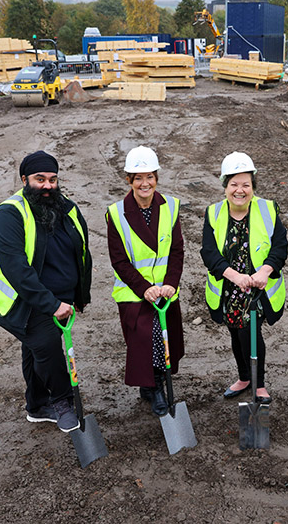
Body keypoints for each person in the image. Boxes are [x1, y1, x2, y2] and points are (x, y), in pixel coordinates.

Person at [0, 151, 92, 433]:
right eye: (39, 179)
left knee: (35, 349)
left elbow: (81, 253)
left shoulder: (66, 208)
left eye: (53, 179)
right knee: (45, 344)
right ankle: (62, 402)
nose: (47, 186)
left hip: (60, 297)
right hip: (20, 300)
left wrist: (78, 296)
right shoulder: (9, 214)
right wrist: (52, 304)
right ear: (24, 180)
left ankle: (36, 405)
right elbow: (16, 269)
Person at [200, 152, 287, 404]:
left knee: (250, 332)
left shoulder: (268, 209)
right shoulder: (214, 213)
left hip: (258, 289)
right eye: (234, 184)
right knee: (235, 333)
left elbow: (280, 246)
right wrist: (234, 276)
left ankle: (258, 384)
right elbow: (209, 252)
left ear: (253, 187)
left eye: (246, 184)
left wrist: (265, 271)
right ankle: (244, 377)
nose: (240, 190)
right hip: (229, 287)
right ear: (225, 186)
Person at [106, 146, 185, 416]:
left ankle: (156, 380)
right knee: (147, 336)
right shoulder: (116, 213)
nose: (144, 184)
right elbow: (119, 260)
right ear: (129, 180)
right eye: (138, 178)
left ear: (157, 178)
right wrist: (144, 289)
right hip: (134, 292)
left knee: (166, 339)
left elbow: (176, 252)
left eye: (149, 177)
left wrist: (171, 284)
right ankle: (153, 389)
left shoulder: (171, 207)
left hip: (165, 290)